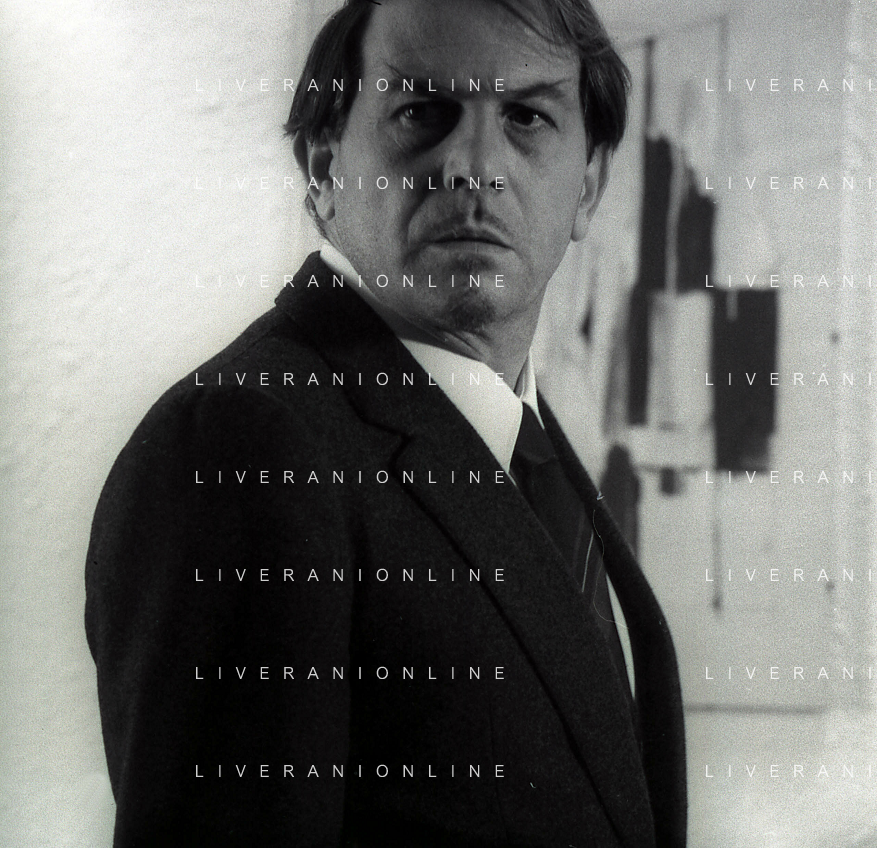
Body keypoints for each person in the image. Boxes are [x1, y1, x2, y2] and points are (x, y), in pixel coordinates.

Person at [84, 0, 687, 845]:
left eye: (525, 116)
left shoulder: (527, 445)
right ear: (324, 169)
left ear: (586, 186)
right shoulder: (244, 440)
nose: (474, 166)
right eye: (420, 111)